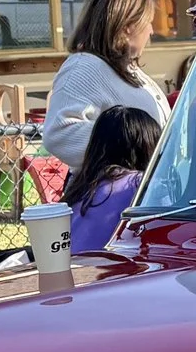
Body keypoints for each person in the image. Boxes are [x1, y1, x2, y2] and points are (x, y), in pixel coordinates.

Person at [42, 0, 167, 175]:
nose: (151, 31)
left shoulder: (126, 69)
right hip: (114, 191)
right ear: (128, 25)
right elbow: (59, 134)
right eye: (149, 22)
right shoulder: (84, 67)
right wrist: (129, 142)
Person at [63, 105, 162, 253]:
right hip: (109, 265)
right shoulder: (141, 185)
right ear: (149, 145)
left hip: (72, 263)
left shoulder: (82, 185)